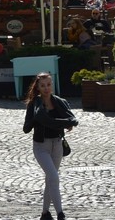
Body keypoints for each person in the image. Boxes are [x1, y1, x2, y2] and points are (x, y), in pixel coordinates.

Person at [23, 72, 78, 220]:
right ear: (38, 87)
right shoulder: (34, 104)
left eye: (48, 84)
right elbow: (26, 128)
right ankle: (61, 214)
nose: (46, 88)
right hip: (41, 146)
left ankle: (45, 214)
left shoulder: (59, 102)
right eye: (43, 86)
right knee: (54, 177)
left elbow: (70, 118)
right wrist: (37, 119)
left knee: (50, 180)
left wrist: (67, 124)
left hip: (57, 145)